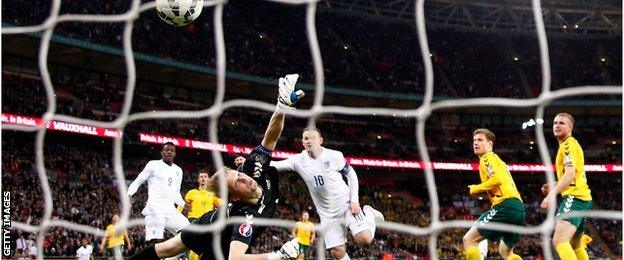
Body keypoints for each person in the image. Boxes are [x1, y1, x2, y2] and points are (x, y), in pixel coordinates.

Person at [129, 74, 305, 260]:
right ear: (235, 198)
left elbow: (271, 137)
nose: (245, 178)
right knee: (167, 248)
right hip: (208, 226)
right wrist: (278, 255)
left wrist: (281, 107)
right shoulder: (245, 217)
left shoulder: (253, 169)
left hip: (222, 241)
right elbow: (236, 258)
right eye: (238, 182)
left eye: (239, 175)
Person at [270, 126, 384, 259]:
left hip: (345, 204)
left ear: (321, 140)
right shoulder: (298, 160)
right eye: (306, 138)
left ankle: (369, 214)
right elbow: (274, 166)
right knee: (337, 252)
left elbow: (351, 175)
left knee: (365, 239)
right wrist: (250, 163)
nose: (309, 141)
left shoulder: (334, 156)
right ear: (302, 142)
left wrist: (354, 200)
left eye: (313, 138)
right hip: (327, 214)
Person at [462, 128, 525, 260]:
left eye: (480, 140)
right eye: (474, 140)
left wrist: (476, 188)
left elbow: (497, 180)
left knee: (469, 239)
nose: (475, 143)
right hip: (518, 208)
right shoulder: (498, 160)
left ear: (490, 144)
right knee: (506, 253)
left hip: (505, 206)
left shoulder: (487, 158)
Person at [540, 113, 592, 260]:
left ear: (570, 127)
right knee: (575, 245)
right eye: (555, 122)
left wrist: (552, 195)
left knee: (559, 241)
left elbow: (569, 175)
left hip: (574, 198)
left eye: (562, 123)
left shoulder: (568, 144)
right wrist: (555, 185)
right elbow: (575, 175)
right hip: (583, 199)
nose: (557, 125)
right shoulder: (569, 145)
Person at [127, 142, 189, 243]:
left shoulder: (178, 170)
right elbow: (139, 179)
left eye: (172, 150)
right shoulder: (153, 164)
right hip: (155, 209)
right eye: (166, 150)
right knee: (155, 242)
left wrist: (183, 204)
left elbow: (176, 192)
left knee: (189, 231)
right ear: (161, 153)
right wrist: (129, 193)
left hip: (170, 210)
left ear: (175, 154)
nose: (169, 152)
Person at [184, 170, 223, 260]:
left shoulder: (213, 194)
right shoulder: (191, 193)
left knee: (204, 248)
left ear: (208, 179)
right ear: (198, 180)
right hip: (193, 220)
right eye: (201, 177)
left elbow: (222, 204)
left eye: (205, 176)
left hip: (206, 222)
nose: (203, 178)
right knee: (194, 248)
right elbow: (183, 205)